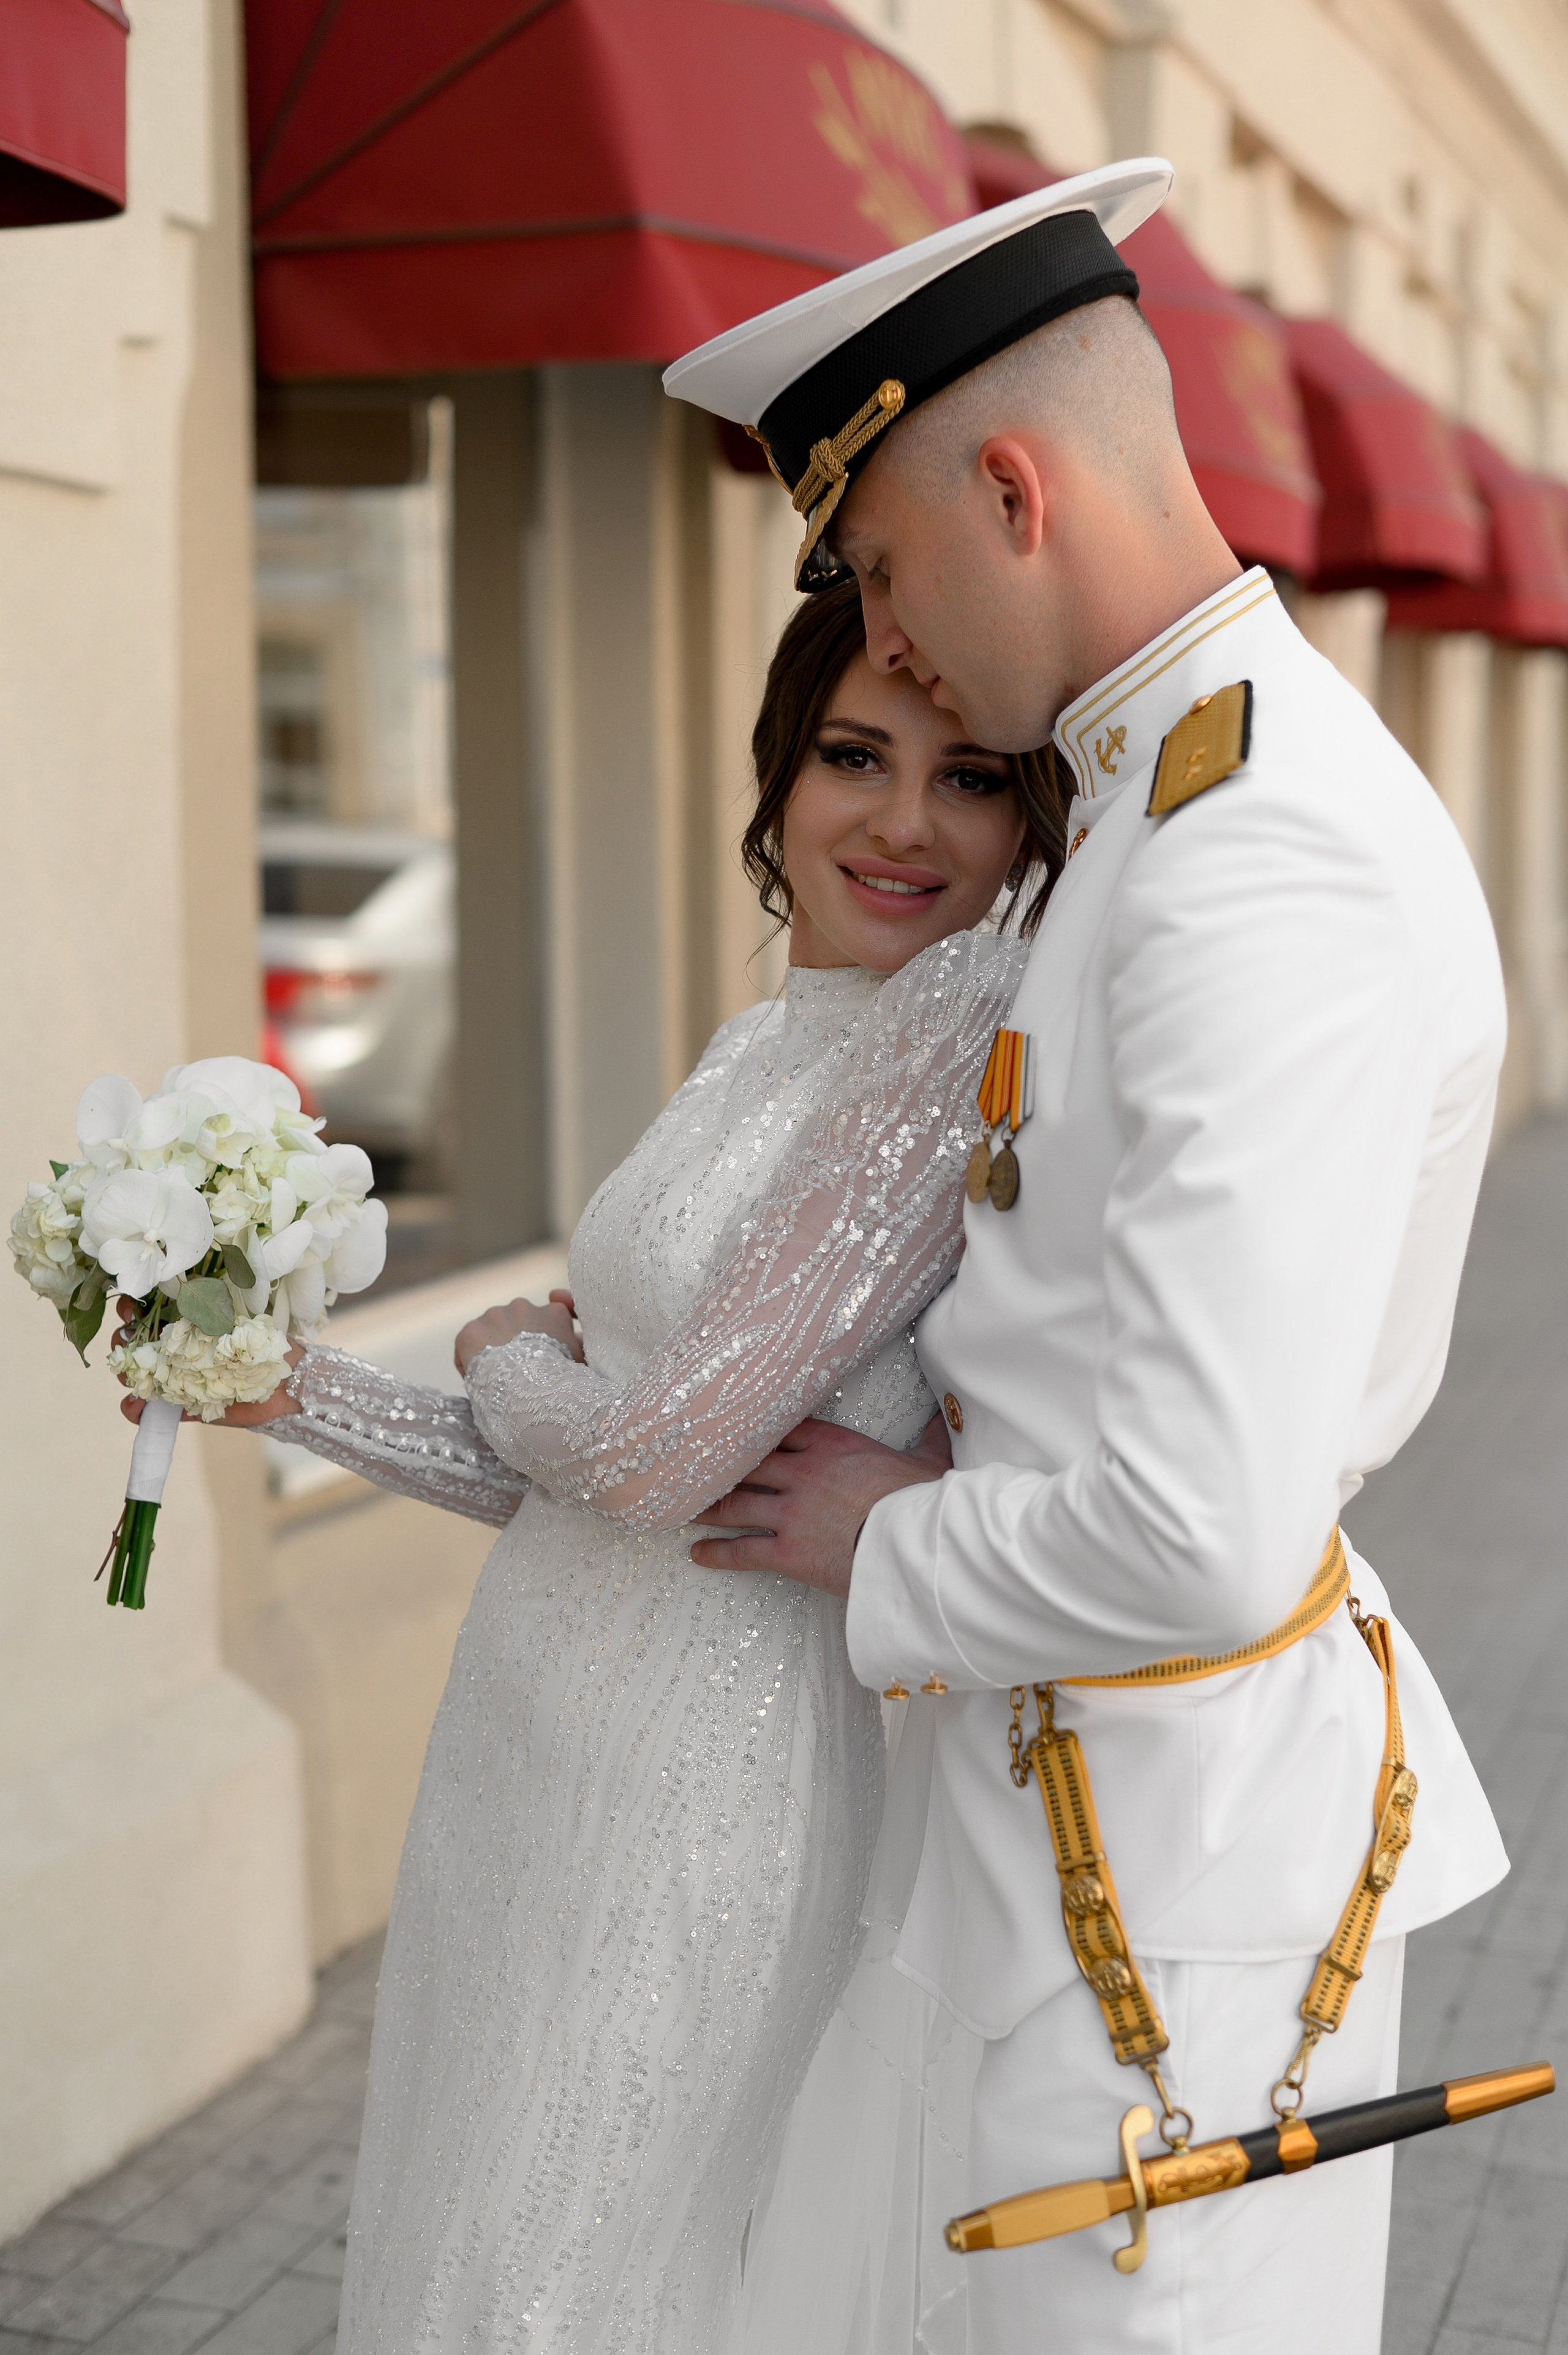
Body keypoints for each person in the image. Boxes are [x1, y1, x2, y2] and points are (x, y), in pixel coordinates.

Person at [663, 161, 1509, 2353]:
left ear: (1013, 490)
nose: (893, 631)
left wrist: (882, 1532)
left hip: (1168, 1873)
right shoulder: (1158, 800)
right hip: (1081, 1812)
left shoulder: (1261, 858)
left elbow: (1206, 1529)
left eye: (879, 559)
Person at [120, 580, 1068, 2351]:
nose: (901, 821)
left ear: (1034, 820)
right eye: (857, 755)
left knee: (567, 2283)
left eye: (975, 779)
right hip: (532, 1736)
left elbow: (648, 1452)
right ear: (781, 770)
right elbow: (578, 1482)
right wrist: (282, 1387)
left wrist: (502, 1350)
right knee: (475, 2252)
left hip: (707, 1775)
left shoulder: (952, 1038)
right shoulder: (763, 1042)